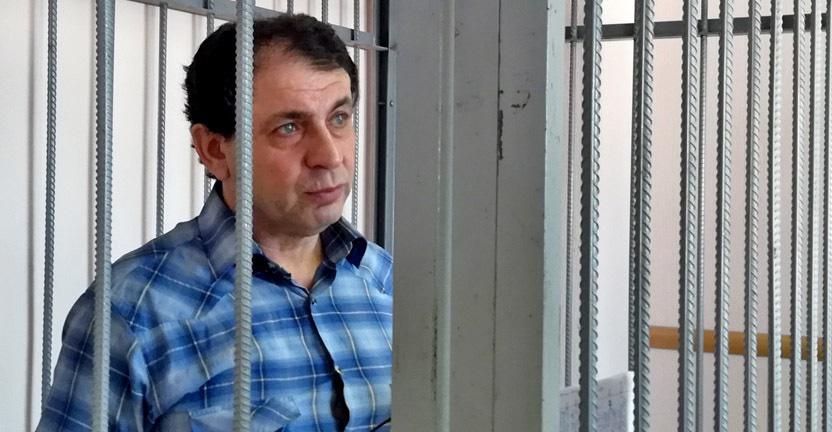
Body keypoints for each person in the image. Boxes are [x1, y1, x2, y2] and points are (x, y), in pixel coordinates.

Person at [38, 14, 392, 431]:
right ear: (214, 150)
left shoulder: (388, 283)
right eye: (289, 128)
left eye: (339, 118)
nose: (329, 155)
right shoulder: (132, 313)